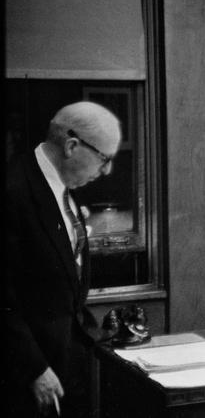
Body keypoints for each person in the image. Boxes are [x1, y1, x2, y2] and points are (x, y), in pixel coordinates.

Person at [3, 101, 122, 417]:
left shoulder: (64, 184)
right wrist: (35, 370)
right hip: (26, 380)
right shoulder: (13, 190)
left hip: (68, 365)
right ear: (71, 146)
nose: (107, 171)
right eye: (104, 159)